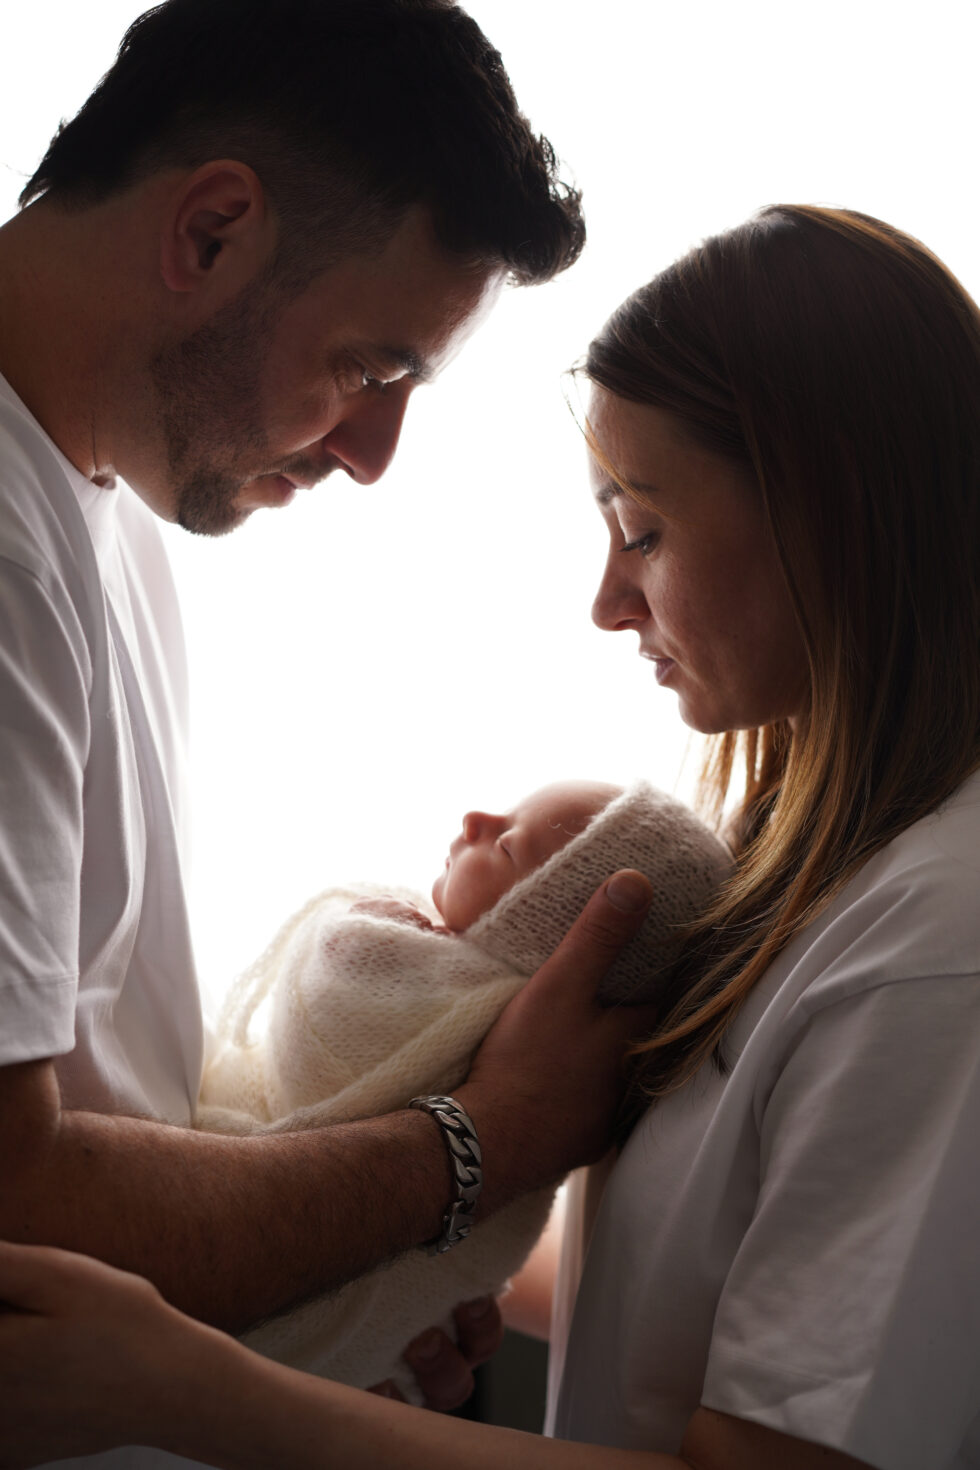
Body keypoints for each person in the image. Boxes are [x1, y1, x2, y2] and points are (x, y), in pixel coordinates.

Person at [2, 200, 976, 1470]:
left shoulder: (935, 943)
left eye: (642, 527)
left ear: (830, 510)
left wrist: (195, 1393)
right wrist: (391, 1302)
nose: (606, 600)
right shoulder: (805, 881)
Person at [0, 0, 660, 1460]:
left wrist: (321, 1296)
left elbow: (101, 1076)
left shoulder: (102, 514)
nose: (371, 456)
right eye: (372, 370)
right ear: (213, 231)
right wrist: (482, 1143)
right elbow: (18, 1197)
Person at [194, 779, 732, 1398]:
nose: (475, 818)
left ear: (535, 934)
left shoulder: (473, 1006)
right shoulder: (530, 1047)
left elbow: (332, 990)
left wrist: (367, 928)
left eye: (507, 844)